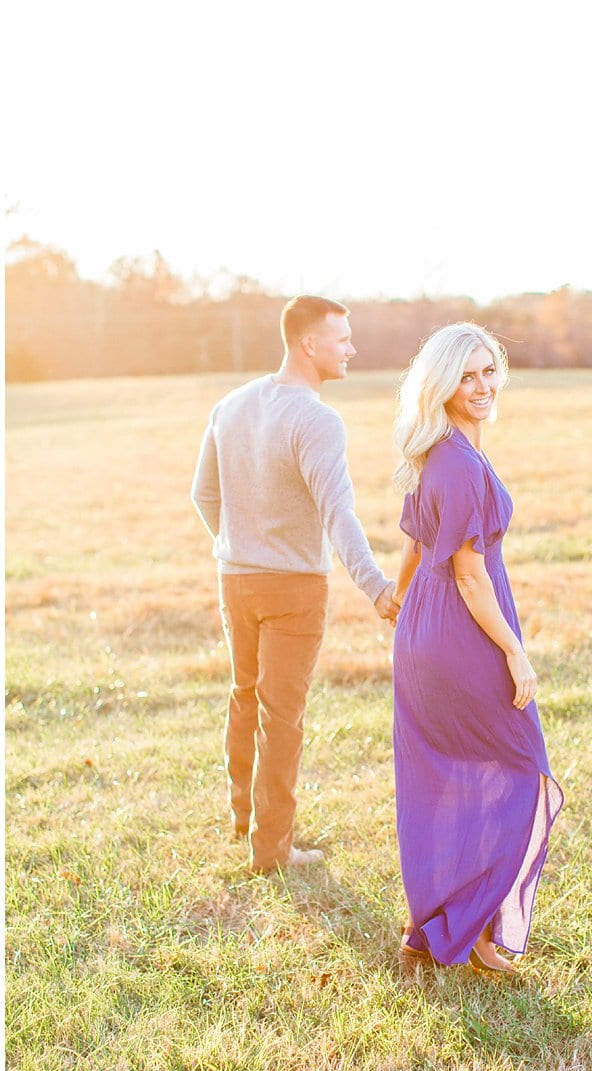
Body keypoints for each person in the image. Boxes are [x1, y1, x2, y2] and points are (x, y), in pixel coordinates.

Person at [192, 295, 400, 873]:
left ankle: (243, 822)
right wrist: (377, 586)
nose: (352, 348)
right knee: (280, 720)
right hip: (293, 591)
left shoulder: (230, 405)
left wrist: (239, 545)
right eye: (342, 339)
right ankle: (272, 852)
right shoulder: (316, 419)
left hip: (235, 579)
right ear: (309, 344)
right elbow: (339, 515)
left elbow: (202, 495)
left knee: (245, 696)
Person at [390, 322, 563, 973]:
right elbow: (468, 573)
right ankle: (472, 930)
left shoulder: (441, 449)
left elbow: (412, 544)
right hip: (460, 632)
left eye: (489, 371)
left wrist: (396, 602)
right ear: (441, 383)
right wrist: (515, 652)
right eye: (467, 375)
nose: (483, 385)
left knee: (448, 776)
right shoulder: (457, 462)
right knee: (519, 768)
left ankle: (446, 925)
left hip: (425, 630)